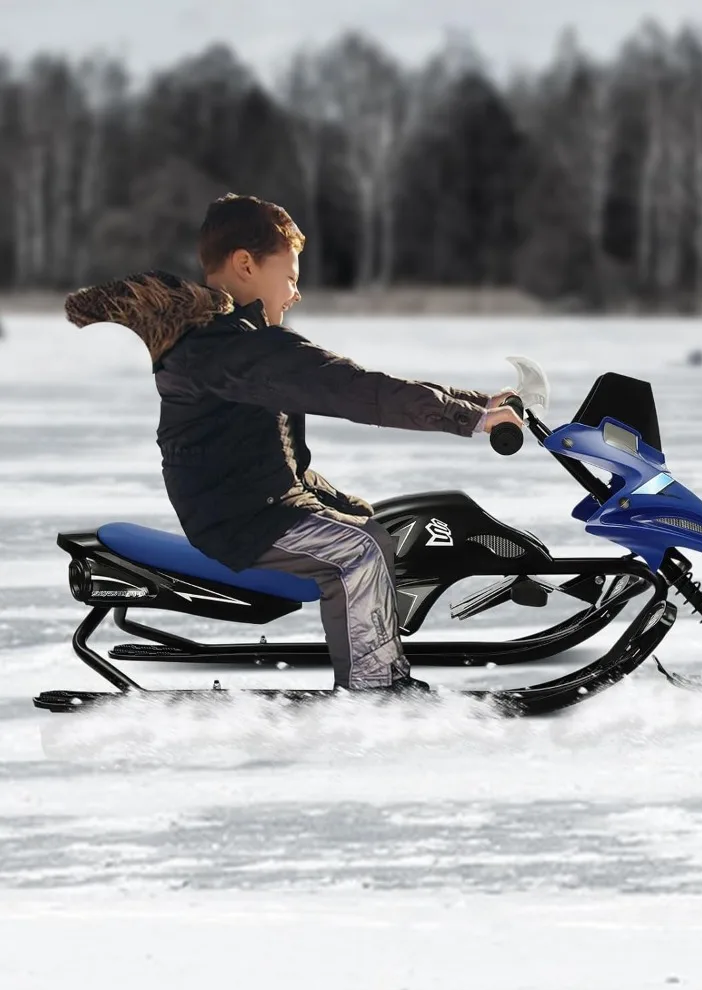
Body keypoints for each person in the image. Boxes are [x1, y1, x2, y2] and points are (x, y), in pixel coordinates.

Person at [64, 193, 521, 695]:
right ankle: (375, 694)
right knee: (360, 552)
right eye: (291, 278)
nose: (295, 294)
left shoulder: (232, 344)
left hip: (258, 506)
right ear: (245, 265)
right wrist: (470, 419)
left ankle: (379, 652)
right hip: (244, 522)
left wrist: (480, 403)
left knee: (386, 528)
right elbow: (355, 390)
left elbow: (300, 437)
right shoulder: (234, 351)